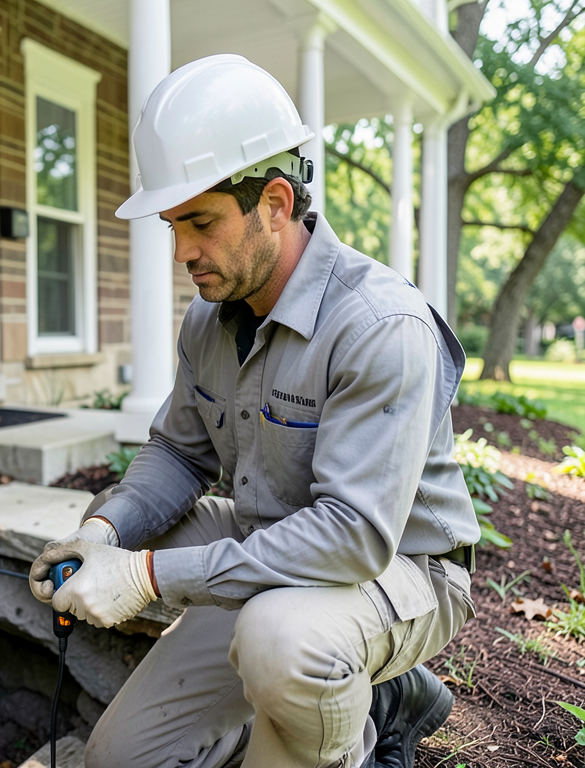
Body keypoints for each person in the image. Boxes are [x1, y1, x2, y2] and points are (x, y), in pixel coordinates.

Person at [29, 54, 478, 768]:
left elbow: (353, 535)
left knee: (281, 640)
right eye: (172, 225)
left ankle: (365, 711)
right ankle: (300, 711)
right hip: (272, 539)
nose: (182, 251)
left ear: (274, 202)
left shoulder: (379, 325)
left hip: (398, 565)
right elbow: (177, 453)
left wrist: (146, 579)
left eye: (200, 222)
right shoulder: (209, 318)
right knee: (118, 759)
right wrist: (102, 536)